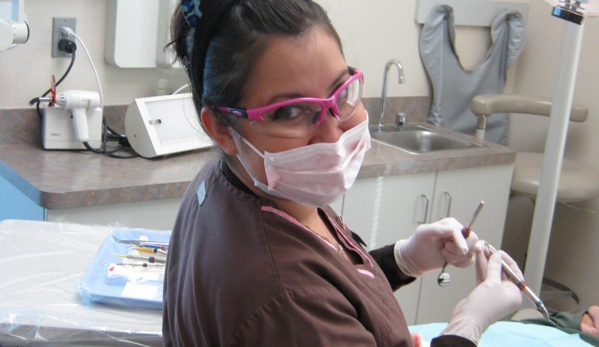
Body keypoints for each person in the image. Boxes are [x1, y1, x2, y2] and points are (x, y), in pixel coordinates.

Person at [162, 0, 523, 346]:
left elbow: (327, 277)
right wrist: (466, 326)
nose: (333, 132)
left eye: (342, 91)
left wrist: (402, 260)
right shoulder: (284, 301)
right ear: (222, 130)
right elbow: (304, 299)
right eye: (289, 112)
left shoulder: (231, 184)